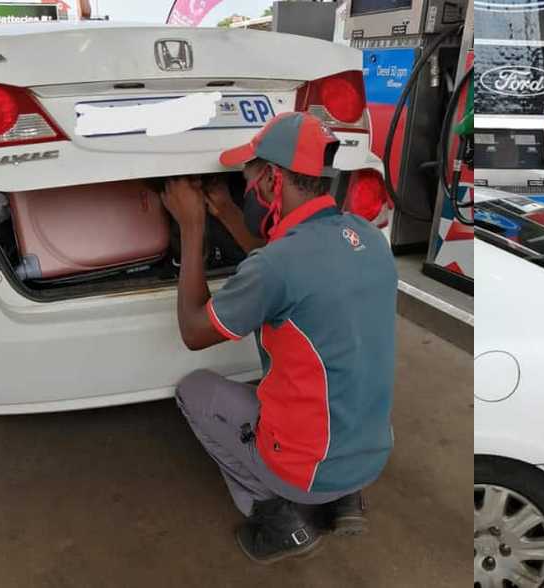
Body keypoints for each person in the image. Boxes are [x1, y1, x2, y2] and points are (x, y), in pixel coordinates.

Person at [159, 112, 398, 563]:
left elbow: (193, 332)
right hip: (371, 454)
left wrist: (192, 226)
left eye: (246, 181)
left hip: (305, 467)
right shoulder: (366, 237)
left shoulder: (278, 266)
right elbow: (286, 273)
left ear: (272, 179)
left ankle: (278, 517)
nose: (245, 191)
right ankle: (343, 500)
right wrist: (229, 213)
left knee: (196, 391)